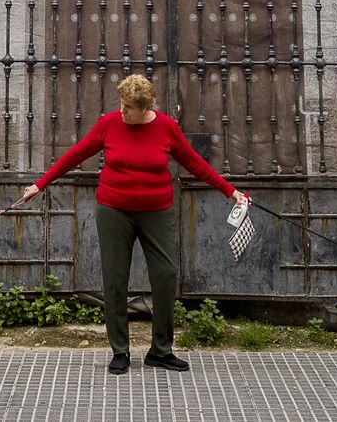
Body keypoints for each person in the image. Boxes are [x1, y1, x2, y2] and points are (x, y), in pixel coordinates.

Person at [20, 74, 247, 375]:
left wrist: (231, 192)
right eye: (121, 104)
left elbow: (195, 163)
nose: (122, 111)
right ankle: (120, 350)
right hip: (113, 210)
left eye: (128, 107)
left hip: (157, 211)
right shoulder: (109, 124)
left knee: (166, 275)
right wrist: (41, 184)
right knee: (115, 280)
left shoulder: (166, 127)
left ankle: (161, 351)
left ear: (145, 107)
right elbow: (76, 155)